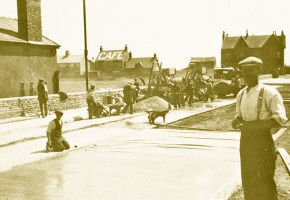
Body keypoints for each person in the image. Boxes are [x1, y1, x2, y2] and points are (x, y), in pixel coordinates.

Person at [232, 56, 287, 200]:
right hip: (246, 141)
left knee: (265, 180)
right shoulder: (241, 94)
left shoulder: (269, 92)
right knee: (248, 179)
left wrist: (254, 126)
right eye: (244, 71)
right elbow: (239, 115)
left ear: (258, 71)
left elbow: (280, 119)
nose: (247, 75)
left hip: (262, 141)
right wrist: (236, 120)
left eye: (251, 71)